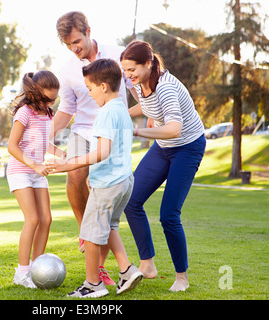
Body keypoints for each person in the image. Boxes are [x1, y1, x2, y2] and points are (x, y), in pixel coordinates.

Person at [53, 11, 139, 285]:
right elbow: (67, 109)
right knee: (76, 176)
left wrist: (129, 118)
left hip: (110, 132)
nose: (74, 48)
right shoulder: (67, 71)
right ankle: (85, 230)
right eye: (68, 45)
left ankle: (99, 258)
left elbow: (136, 90)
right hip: (83, 131)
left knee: (106, 189)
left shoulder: (118, 54)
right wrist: (45, 133)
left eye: (77, 41)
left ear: (88, 31)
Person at [120, 40, 206, 292]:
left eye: (132, 69)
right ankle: (147, 264)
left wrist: (136, 132)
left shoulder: (166, 88)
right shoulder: (138, 84)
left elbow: (174, 128)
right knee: (131, 200)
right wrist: (121, 114)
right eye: (125, 71)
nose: (129, 75)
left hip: (188, 147)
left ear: (149, 63)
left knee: (169, 214)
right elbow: (146, 106)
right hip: (164, 147)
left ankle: (182, 278)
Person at [6, 71, 65, 289]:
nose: (50, 103)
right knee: (32, 219)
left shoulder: (47, 114)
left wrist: (61, 154)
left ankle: (37, 269)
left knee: (46, 220)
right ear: (35, 93)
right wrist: (36, 165)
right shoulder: (24, 112)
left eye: (54, 100)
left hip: (36, 172)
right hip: (20, 171)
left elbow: (41, 143)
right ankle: (21, 273)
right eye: (47, 99)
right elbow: (12, 146)